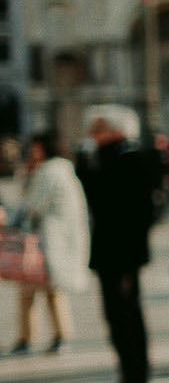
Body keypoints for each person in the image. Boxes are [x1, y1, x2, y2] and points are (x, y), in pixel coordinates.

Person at [75, 105, 163, 383]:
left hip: (123, 254)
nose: (92, 135)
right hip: (111, 251)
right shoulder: (108, 157)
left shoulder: (129, 158)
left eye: (99, 129)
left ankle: (135, 379)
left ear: (118, 130)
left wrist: (86, 167)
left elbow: (115, 201)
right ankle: (130, 376)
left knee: (126, 315)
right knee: (116, 315)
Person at [9, 134, 90, 355]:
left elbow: (32, 204)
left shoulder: (50, 171)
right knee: (43, 290)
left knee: (38, 290)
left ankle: (39, 337)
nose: (33, 153)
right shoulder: (63, 170)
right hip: (49, 241)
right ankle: (51, 336)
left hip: (45, 241)